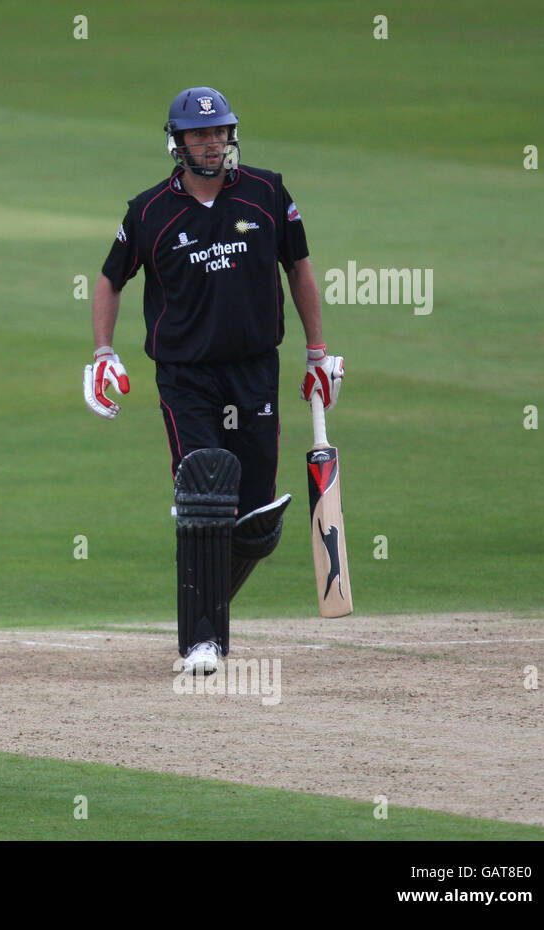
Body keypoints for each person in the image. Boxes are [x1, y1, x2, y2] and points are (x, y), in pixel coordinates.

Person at [83, 87, 345, 676]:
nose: (212, 142)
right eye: (199, 134)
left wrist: (318, 353)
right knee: (205, 494)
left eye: (220, 131)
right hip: (186, 377)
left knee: (256, 522)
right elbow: (108, 281)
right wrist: (103, 353)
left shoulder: (268, 192)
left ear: (232, 136)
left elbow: (298, 266)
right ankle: (203, 640)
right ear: (177, 144)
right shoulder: (149, 212)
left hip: (255, 371)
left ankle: (200, 609)